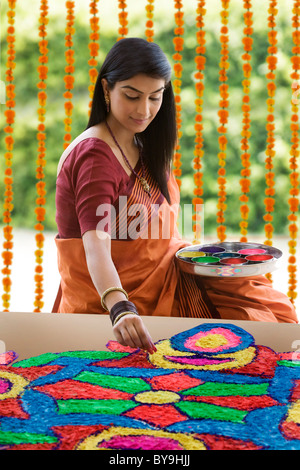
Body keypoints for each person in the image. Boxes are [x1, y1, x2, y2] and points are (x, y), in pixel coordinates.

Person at [54, 38, 298, 353]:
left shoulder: (141, 145)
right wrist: (119, 306)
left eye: (155, 97)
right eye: (131, 96)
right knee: (251, 328)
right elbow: (95, 247)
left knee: (263, 303)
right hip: (121, 300)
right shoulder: (95, 155)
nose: (144, 110)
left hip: (168, 279)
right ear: (106, 89)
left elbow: (157, 236)